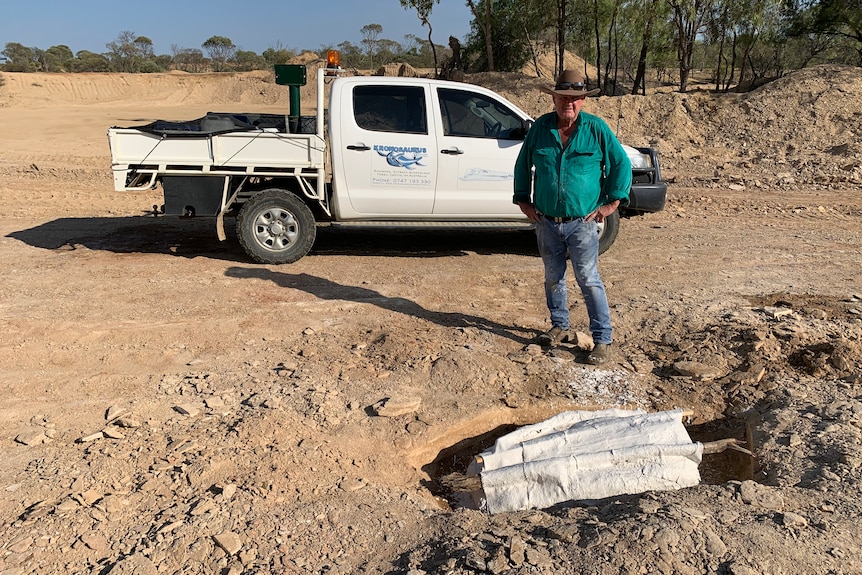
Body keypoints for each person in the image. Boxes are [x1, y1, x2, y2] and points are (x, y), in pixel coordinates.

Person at [513, 70, 632, 365]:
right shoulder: (541, 128)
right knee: (553, 278)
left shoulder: (596, 129)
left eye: (575, 98)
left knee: (589, 279)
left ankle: (602, 339)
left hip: (583, 223)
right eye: (564, 97)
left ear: (582, 101)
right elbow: (522, 164)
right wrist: (523, 200)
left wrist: (612, 203)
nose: (569, 103)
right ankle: (560, 326)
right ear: (554, 98)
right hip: (547, 222)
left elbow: (620, 163)